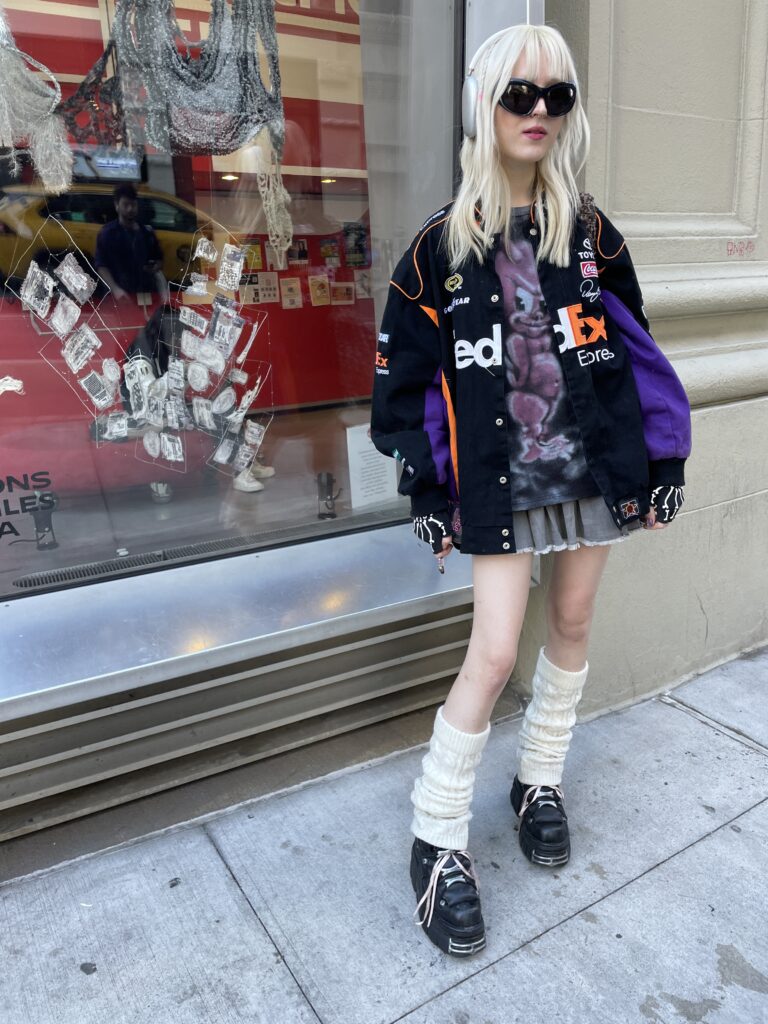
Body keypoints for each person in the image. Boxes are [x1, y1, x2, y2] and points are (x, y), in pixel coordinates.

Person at [370, 24, 691, 959]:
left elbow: (635, 358)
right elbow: (404, 382)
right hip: (497, 481)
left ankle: (538, 777)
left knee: (577, 623)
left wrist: (660, 460)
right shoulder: (439, 249)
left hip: (585, 466)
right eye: (521, 94)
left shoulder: (589, 235)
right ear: (484, 102)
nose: (540, 112)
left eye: (558, 94)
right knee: (495, 650)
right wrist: (425, 483)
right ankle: (436, 838)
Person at [95, 183, 170, 303]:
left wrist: (155, 266)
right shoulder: (108, 234)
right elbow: (101, 266)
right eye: (125, 205)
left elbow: (159, 259)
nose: (130, 209)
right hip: (118, 297)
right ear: (117, 206)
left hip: (143, 293)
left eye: (133, 205)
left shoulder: (146, 233)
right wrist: (115, 289)